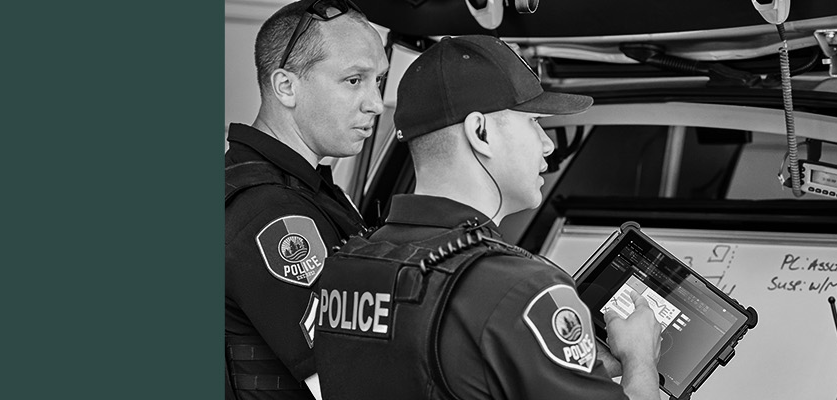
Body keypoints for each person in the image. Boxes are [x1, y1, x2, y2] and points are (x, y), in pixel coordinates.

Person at [307, 35, 665, 400]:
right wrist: (639, 358)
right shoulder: (522, 289)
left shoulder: (345, 267)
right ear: (480, 132)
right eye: (534, 121)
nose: (548, 144)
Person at [223, 0, 387, 399]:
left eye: (378, 81)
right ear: (286, 87)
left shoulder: (308, 190)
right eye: (354, 80)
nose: (376, 104)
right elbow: (347, 382)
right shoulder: (268, 214)